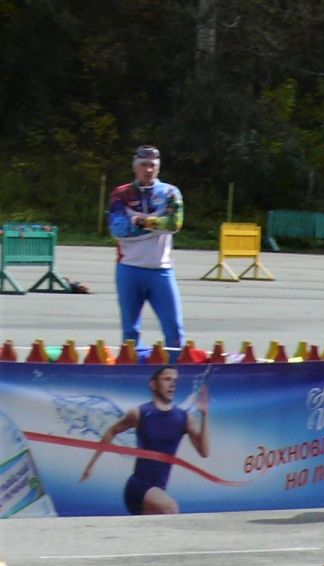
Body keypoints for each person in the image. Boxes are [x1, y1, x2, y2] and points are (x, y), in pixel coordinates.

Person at [80, 366, 210, 514]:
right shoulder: (140, 413)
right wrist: (91, 465)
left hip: (157, 490)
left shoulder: (184, 418)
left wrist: (204, 414)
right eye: (167, 379)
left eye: (174, 381)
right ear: (153, 384)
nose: (172, 384)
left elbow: (204, 452)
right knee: (171, 508)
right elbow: (111, 431)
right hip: (138, 488)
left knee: (161, 523)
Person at [107, 145, 185, 363]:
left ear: (158, 168)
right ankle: (133, 369)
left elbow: (174, 224)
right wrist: (157, 223)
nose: (148, 170)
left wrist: (138, 220)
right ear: (135, 167)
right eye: (143, 165)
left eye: (152, 165)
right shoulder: (121, 193)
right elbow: (117, 228)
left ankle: (174, 368)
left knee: (174, 327)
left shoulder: (170, 192)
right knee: (130, 330)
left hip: (161, 269)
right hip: (129, 269)